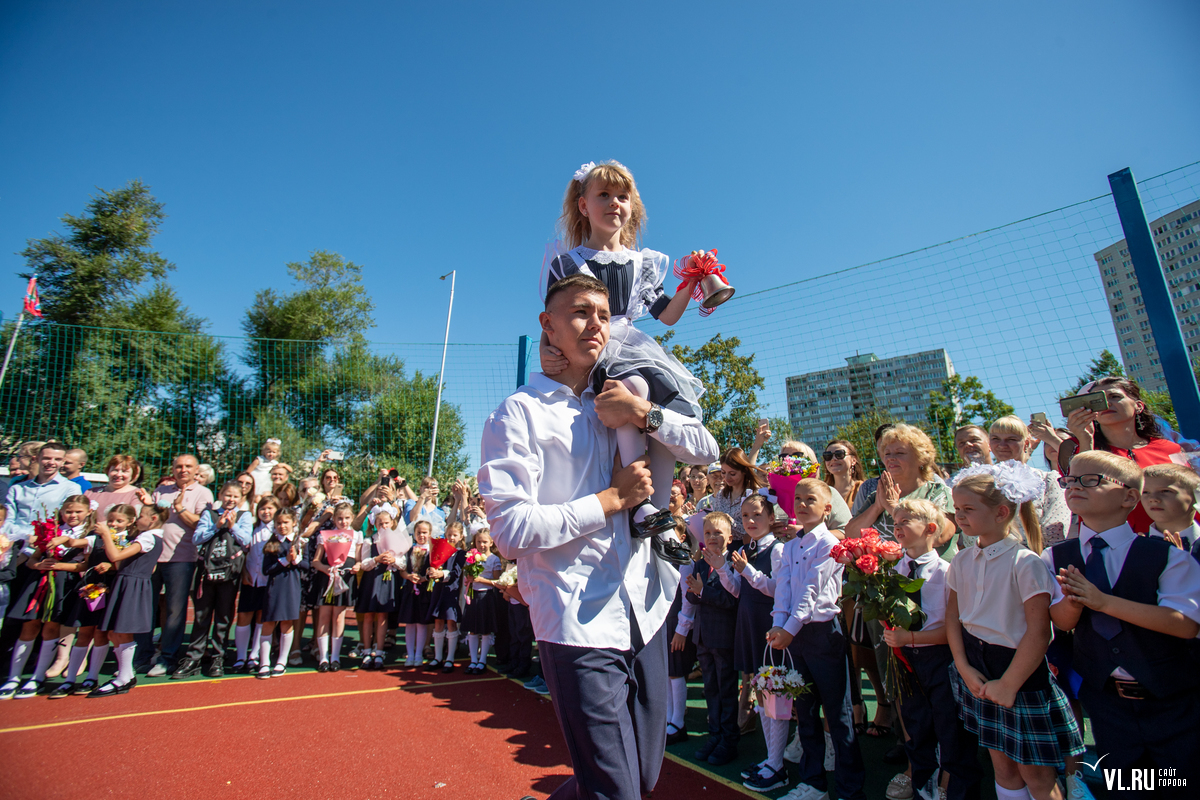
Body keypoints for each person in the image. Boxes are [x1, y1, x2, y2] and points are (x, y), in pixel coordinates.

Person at [479, 274, 718, 800]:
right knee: (616, 792)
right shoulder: (519, 412)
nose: (595, 324)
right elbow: (510, 532)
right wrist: (611, 501)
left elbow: (708, 450)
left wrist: (645, 414)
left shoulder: (628, 393)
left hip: (649, 607)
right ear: (548, 325)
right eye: (580, 312)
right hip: (575, 617)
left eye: (604, 315)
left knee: (643, 778)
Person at [540, 161, 708, 544]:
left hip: (635, 346)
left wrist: (690, 282)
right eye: (604, 195)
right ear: (584, 206)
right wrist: (546, 349)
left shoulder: (642, 262)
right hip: (596, 347)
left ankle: (659, 512)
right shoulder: (568, 262)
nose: (614, 203)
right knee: (632, 388)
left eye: (622, 196)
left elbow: (664, 314)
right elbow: (552, 318)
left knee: (669, 416)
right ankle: (642, 501)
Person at [1045, 451, 1200, 795]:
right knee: (1127, 787)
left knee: (1180, 783)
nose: (1074, 486)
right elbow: (1060, 620)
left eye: (1090, 480)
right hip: (1108, 704)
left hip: (1172, 701)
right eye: (1069, 480)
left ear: (1130, 496)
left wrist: (1103, 602)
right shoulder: (1056, 556)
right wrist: (1072, 602)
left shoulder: (1167, 557)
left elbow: (1186, 624)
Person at [946, 463, 1082, 800]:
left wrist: (1009, 684)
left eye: (968, 509)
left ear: (1002, 512)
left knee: (1036, 773)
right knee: (1002, 765)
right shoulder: (961, 561)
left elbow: (1039, 633)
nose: (959, 516)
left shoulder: (1025, 562)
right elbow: (953, 619)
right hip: (976, 668)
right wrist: (964, 668)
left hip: (1018, 673)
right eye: (956, 508)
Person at [767, 478, 867, 800]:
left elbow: (812, 590)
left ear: (827, 508)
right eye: (798, 498)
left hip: (824, 635)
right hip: (795, 637)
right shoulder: (791, 546)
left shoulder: (828, 544)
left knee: (837, 715)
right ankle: (813, 783)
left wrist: (788, 628)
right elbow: (783, 588)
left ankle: (850, 789)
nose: (802, 504)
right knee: (805, 712)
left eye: (810, 499)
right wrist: (778, 623)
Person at [880, 499, 982, 800]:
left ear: (930, 528)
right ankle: (923, 780)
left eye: (904, 522)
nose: (897, 528)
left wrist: (909, 640)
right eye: (894, 523)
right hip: (905, 661)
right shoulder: (890, 571)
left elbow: (953, 631)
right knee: (916, 722)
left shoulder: (946, 572)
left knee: (950, 728)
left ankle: (953, 786)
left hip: (939, 660)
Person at [0, 494, 93, 699]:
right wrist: (38, 564)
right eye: (68, 511)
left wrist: (59, 566)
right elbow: (32, 559)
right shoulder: (52, 529)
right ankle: (13, 678)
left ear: (88, 512)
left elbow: (85, 565)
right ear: (61, 512)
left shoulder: (88, 534)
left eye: (78, 511)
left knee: (51, 627)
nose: (73, 515)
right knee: (29, 625)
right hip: (40, 581)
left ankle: (37, 677)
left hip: (64, 582)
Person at [1062, 376, 1183, 533]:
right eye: (1098, 400)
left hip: (1175, 539)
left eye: (1114, 396)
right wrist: (1086, 440)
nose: (1107, 404)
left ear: (1138, 406)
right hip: (1112, 544)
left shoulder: (1170, 449)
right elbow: (1082, 493)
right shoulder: (1076, 449)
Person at [674, 512, 740, 767]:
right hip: (703, 637)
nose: (712, 538)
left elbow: (731, 600)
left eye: (718, 533)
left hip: (723, 638)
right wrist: (695, 592)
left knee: (726, 690)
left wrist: (703, 591)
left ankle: (728, 739)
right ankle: (715, 735)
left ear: (730, 538)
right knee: (710, 689)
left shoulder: (733, 564)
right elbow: (692, 598)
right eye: (708, 533)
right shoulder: (700, 564)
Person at [138, 454, 212, 677]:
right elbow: (149, 520)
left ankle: (167, 657)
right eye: (178, 466)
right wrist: (148, 508)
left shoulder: (202, 492)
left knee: (174, 611)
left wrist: (179, 508)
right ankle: (141, 656)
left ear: (196, 469)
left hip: (182, 559)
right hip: (152, 558)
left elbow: (202, 524)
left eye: (188, 466)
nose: (183, 470)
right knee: (145, 609)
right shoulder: (161, 491)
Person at [50, 504, 134, 697]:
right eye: (111, 520)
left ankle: (92, 678)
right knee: (84, 632)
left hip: (112, 590)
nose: (113, 524)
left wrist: (111, 566)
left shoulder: (130, 542)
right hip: (91, 590)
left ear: (130, 522)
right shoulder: (95, 538)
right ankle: (70, 679)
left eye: (119, 521)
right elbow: (74, 543)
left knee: (101, 634)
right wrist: (64, 539)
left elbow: (123, 564)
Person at [174, 481, 253, 679]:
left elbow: (246, 541)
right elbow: (197, 538)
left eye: (235, 497)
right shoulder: (209, 514)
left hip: (229, 572)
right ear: (221, 495)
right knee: (202, 615)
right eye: (228, 495)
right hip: (206, 571)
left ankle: (218, 656)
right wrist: (216, 526)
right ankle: (194, 657)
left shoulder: (244, 516)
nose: (231, 500)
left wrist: (232, 526)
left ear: (241, 499)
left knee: (224, 616)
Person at [89, 504, 169, 697]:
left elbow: (116, 556)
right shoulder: (147, 537)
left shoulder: (149, 537)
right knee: (113, 633)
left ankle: (124, 678)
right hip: (127, 582)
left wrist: (106, 534)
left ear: (153, 519)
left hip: (132, 585)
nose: (138, 519)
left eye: (141, 516)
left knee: (122, 632)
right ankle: (126, 674)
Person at [989, 416, 1070, 548]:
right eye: (995, 439)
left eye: (1011, 439)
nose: (1002, 445)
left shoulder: (1048, 480)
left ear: (1026, 443)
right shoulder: (981, 482)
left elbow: (1055, 533)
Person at [257, 508, 307, 678]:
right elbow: (266, 570)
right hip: (274, 589)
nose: (282, 526)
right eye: (278, 523)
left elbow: (307, 566)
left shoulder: (299, 543)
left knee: (287, 623)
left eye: (285, 522)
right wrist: (286, 560)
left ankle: (281, 662)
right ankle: (264, 663)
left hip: (292, 587)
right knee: (269, 623)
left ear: (294, 523)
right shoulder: (272, 544)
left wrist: (297, 559)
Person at [355, 503, 407, 670]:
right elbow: (363, 564)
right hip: (372, 580)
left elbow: (403, 563)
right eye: (380, 523)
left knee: (383, 616)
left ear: (392, 523)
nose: (383, 526)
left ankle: (379, 651)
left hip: (387, 581)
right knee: (369, 615)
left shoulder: (396, 540)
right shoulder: (369, 540)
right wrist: (376, 560)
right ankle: (366, 650)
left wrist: (395, 561)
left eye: (386, 523)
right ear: (374, 524)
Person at [311, 501, 360, 672]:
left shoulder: (357, 535)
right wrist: (325, 568)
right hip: (327, 578)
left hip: (345, 578)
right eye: (339, 518)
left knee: (339, 617)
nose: (343, 522)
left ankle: (335, 656)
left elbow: (359, 560)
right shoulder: (325, 535)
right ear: (333, 519)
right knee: (324, 616)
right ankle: (323, 657)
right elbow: (316, 561)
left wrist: (357, 566)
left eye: (347, 518)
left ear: (352, 518)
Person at [2, 442, 82, 545]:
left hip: (46, 546)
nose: (51, 462)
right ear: (37, 459)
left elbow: (68, 522)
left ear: (63, 462)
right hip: (14, 542)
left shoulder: (71, 489)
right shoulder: (17, 489)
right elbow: (7, 519)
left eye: (57, 459)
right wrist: (24, 537)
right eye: (47, 458)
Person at [462, 526, 501, 675]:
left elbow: (497, 581)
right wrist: (470, 580)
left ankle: (482, 660)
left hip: (487, 596)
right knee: (473, 629)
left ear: (491, 542)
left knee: (485, 630)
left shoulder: (494, 559)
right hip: (473, 595)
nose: (482, 545)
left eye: (485, 542)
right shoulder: (471, 557)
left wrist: (481, 580)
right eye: (479, 542)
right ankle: (473, 660)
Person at [428, 521, 467, 673]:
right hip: (438, 590)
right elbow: (431, 564)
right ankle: (438, 657)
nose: (451, 537)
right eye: (449, 534)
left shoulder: (460, 553)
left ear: (461, 536)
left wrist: (441, 574)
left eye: (455, 535)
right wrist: (430, 572)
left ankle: (450, 658)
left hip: (452, 591)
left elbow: (456, 573)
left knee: (451, 623)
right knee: (438, 622)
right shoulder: (438, 549)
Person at [398, 520, 433, 667]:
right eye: (419, 532)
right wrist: (408, 576)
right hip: (410, 591)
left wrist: (425, 578)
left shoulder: (432, 551)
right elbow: (402, 569)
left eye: (424, 532)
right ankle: (410, 654)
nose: (421, 535)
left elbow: (434, 570)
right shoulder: (409, 550)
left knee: (421, 623)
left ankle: (419, 654)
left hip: (425, 591)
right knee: (410, 623)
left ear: (430, 534)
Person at [1142, 463, 1200, 550]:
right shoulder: (1130, 547)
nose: (1153, 498)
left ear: (1195, 498)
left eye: (1165, 491)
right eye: (1145, 492)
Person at [85, 455, 149, 519]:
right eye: (115, 470)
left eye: (124, 471)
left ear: (133, 475)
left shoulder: (136, 495)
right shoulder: (91, 493)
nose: (118, 474)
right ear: (108, 471)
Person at [823, 440, 865, 509]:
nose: (833, 459)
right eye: (828, 456)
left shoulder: (863, 489)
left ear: (853, 460)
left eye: (839, 454)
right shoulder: (821, 492)